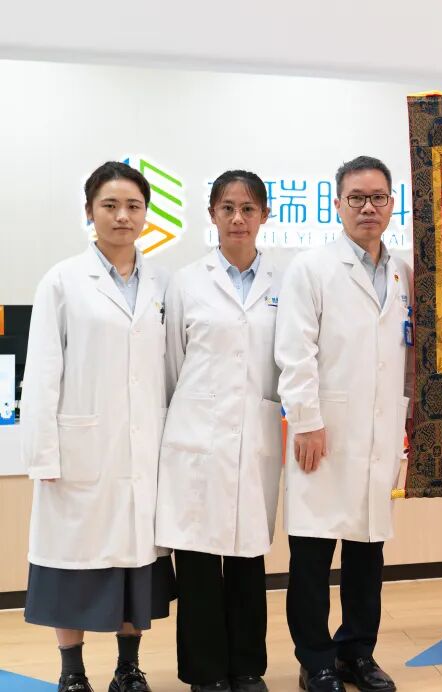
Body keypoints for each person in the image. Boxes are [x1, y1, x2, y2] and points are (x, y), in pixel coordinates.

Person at [20, 161, 176, 692]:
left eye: (133, 206)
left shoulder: (162, 283)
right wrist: (43, 453)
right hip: (80, 449)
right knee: (72, 565)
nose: (122, 216)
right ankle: (72, 672)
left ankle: (128, 668)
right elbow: (43, 372)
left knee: (136, 566)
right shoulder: (62, 280)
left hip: (144, 450)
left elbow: (171, 370)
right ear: (89, 211)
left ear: (146, 213)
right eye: (110, 205)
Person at [276, 155, 412, 692]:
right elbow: (295, 352)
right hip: (323, 432)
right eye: (356, 198)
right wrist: (306, 421)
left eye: (377, 197)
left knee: (367, 552)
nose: (368, 207)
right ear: (337, 204)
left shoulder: (404, 272)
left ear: (392, 204)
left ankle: (358, 652)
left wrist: (410, 420)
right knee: (312, 555)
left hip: (379, 433)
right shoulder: (311, 268)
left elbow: (408, 354)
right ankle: (316, 660)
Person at [155, 170, 282, 692]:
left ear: (264, 216)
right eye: (227, 208)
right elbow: (170, 365)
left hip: (254, 438)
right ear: (211, 214)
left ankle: (247, 668)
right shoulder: (186, 282)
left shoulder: (282, 285)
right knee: (200, 561)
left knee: (248, 558)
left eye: (248, 209)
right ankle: (205, 673)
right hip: (196, 440)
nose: (238, 218)